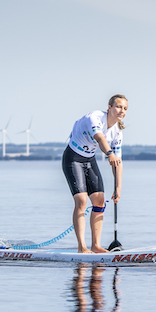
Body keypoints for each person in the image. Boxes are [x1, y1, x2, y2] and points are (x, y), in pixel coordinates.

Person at [63, 95, 127, 253]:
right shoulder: (95, 118)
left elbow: (117, 163)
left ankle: (96, 246)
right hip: (73, 158)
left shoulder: (117, 133)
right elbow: (99, 138)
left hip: (89, 160)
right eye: (118, 106)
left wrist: (118, 187)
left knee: (99, 201)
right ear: (110, 107)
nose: (121, 111)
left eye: (125, 108)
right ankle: (82, 247)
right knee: (81, 201)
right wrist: (110, 153)